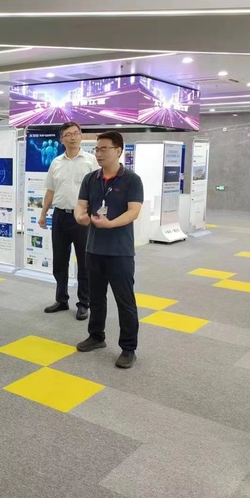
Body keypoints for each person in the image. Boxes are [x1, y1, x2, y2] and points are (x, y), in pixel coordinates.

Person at [74, 131, 144, 369]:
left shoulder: (132, 179)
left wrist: (110, 224)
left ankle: (128, 348)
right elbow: (81, 205)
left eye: (104, 148)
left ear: (118, 151)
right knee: (95, 297)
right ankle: (96, 336)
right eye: (97, 149)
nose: (99, 153)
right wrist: (80, 217)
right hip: (93, 248)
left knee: (125, 300)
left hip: (120, 251)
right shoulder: (90, 178)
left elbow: (134, 211)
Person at [38, 122, 98, 320]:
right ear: (61, 139)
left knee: (84, 262)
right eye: (68, 134)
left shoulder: (91, 161)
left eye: (76, 133)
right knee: (59, 261)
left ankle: (84, 303)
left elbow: (97, 191)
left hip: (82, 218)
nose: (73, 137)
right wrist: (43, 213)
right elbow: (50, 190)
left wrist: (92, 215)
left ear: (80, 136)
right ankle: (61, 299)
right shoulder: (56, 162)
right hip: (60, 217)